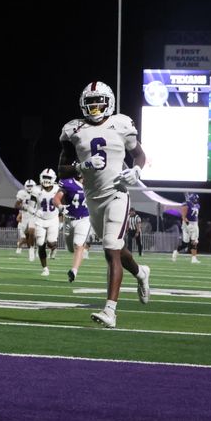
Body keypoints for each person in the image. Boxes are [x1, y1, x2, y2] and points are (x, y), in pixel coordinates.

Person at [57, 81, 151, 329]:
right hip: (92, 198)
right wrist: (81, 166)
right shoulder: (74, 129)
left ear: (109, 102)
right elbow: (62, 169)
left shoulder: (121, 124)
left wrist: (137, 171)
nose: (95, 107)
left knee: (110, 249)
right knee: (116, 248)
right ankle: (141, 272)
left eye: (99, 102)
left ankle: (110, 311)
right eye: (91, 103)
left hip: (117, 193)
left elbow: (139, 155)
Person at [60, 173, 92, 282]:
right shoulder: (68, 183)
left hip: (84, 219)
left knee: (78, 245)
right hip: (69, 220)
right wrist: (60, 206)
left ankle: (74, 271)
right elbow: (56, 198)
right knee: (70, 248)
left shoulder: (92, 184)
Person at [32, 168, 62, 276]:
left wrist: (62, 219)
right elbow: (31, 204)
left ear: (53, 178)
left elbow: (62, 204)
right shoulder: (36, 189)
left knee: (51, 242)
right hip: (40, 219)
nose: (46, 179)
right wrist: (33, 210)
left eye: (48, 177)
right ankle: (45, 268)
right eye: (44, 177)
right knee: (40, 244)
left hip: (53, 219)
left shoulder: (58, 189)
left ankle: (54, 247)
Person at [172, 192, 201, 263]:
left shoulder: (197, 205)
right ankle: (176, 252)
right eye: (196, 198)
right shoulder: (186, 204)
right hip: (186, 224)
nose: (197, 200)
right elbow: (183, 217)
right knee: (185, 243)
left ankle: (194, 258)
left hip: (194, 224)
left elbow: (195, 216)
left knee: (194, 241)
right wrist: (188, 225)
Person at [14, 179, 38, 259]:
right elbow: (16, 205)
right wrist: (25, 207)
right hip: (25, 217)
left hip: (34, 216)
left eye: (31, 186)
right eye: (28, 186)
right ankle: (31, 248)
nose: (30, 187)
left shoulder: (38, 192)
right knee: (27, 236)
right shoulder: (22, 193)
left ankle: (35, 250)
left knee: (34, 234)